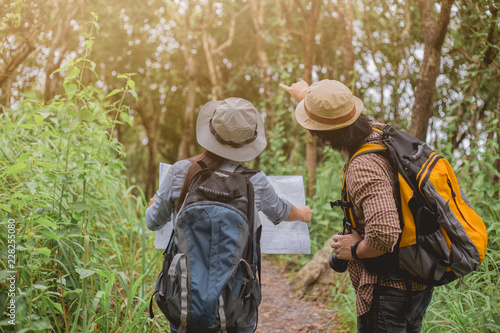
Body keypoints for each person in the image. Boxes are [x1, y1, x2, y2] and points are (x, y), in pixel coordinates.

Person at [145, 97, 312, 333]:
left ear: (211, 132)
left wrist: (154, 204)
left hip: (183, 299)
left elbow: (152, 222)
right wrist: (303, 214)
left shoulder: (181, 171)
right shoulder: (254, 181)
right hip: (238, 303)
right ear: (249, 141)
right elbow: (281, 211)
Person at [280, 80, 433, 333]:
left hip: (388, 290)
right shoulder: (380, 132)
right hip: (415, 280)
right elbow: (334, 110)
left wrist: (354, 249)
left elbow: (384, 232)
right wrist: (305, 96)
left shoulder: (363, 166)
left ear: (323, 135)